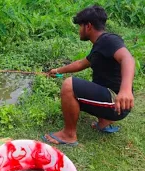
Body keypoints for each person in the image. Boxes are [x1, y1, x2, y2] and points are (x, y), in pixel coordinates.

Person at [42, 5, 135, 146]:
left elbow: (128, 58)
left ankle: (68, 135)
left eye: (80, 26)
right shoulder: (99, 46)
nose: (79, 30)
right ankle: (104, 122)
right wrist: (58, 70)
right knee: (89, 84)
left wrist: (126, 90)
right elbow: (81, 63)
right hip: (114, 101)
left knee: (69, 85)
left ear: (88, 26)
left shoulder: (109, 40)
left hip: (118, 101)